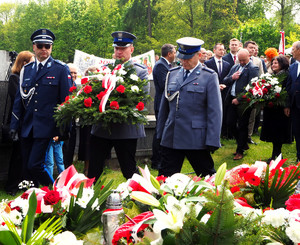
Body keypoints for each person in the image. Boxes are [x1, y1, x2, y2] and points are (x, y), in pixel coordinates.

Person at [10, 28, 72, 186]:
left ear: (51, 47)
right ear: (34, 47)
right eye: (40, 45)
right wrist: (14, 126)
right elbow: (19, 100)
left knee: (35, 164)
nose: (43, 49)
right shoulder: (26, 70)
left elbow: (67, 101)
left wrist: (65, 128)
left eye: (47, 46)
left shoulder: (60, 69)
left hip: (46, 127)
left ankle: (55, 193)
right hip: (27, 126)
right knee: (27, 168)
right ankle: (37, 201)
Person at [156, 37, 222, 177]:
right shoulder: (172, 74)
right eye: (182, 58)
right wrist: (160, 132)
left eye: (188, 58)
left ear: (198, 55)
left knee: (207, 179)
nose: (184, 61)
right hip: (172, 136)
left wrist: (212, 139)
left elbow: (215, 111)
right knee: (165, 180)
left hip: (196, 139)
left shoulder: (209, 76)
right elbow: (164, 107)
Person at [88, 31, 149, 181]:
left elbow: (140, 100)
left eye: (123, 48)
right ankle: (88, 202)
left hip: (125, 128)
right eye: (116, 48)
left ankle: (144, 199)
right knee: (94, 170)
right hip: (102, 127)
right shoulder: (105, 69)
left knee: (129, 170)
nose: (119, 52)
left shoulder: (140, 72)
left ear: (132, 49)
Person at [5, 51, 35, 195]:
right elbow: (19, 98)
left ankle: (24, 183)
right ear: (24, 63)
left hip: (29, 122)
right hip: (18, 122)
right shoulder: (15, 78)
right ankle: (11, 186)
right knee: (17, 156)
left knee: (27, 156)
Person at [223, 49, 259, 160]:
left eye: (244, 60)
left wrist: (239, 99)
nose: (242, 62)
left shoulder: (253, 68)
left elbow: (252, 86)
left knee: (243, 126)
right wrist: (232, 77)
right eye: (240, 60)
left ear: (249, 56)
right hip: (231, 99)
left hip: (244, 102)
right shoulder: (235, 67)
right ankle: (243, 143)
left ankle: (240, 150)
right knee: (230, 123)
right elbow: (225, 80)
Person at [260, 55, 292, 162]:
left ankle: (277, 156)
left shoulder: (286, 75)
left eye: (276, 63)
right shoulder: (273, 75)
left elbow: (286, 91)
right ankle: (275, 155)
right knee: (274, 134)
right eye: (272, 63)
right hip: (272, 109)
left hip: (280, 109)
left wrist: (285, 105)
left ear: (282, 64)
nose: (273, 65)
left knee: (278, 134)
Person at [151, 44, 176, 170]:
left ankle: (161, 158)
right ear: (169, 53)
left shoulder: (166, 65)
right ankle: (156, 160)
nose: (176, 55)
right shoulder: (161, 65)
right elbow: (164, 84)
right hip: (161, 103)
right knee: (159, 131)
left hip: (164, 103)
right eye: (175, 52)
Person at [286, 41, 300, 161]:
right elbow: (288, 87)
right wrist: (287, 105)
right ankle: (299, 156)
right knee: (297, 131)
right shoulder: (293, 66)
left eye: (293, 49)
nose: (291, 52)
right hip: (295, 106)